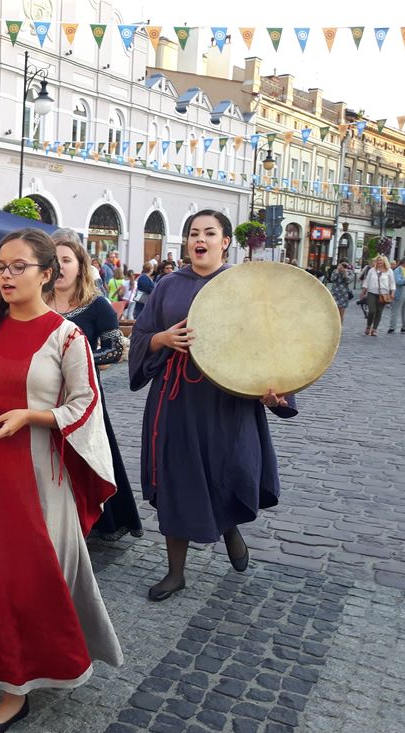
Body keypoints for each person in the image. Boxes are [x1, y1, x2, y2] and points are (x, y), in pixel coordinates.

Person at [0, 229, 123, 733]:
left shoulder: (67, 337)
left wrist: (31, 416)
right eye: (2, 267)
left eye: (19, 267)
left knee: (29, 580)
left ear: (48, 274)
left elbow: (85, 403)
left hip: (40, 479)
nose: (7, 276)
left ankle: (18, 686)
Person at [129, 210, 297, 602]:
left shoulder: (244, 286)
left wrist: (275, 392)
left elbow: (269, 344)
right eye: (193, 233)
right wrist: (161, 339)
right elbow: (140, 334)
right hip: (175, 402)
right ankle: (175, 573)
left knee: (224, 473)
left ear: (225, 242)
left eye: (209, 233)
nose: (199, 239)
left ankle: (228, 528)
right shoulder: (168, 285)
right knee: (176, 481)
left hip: (227, 403)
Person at [46, 236, 142, 542]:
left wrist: (76, 360)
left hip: (82, 393)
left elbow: (114, 349)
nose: (60, 267)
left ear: (80, 266)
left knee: (88, 452)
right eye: (55, 260)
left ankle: (94, 516)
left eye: (67, 260)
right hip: (42, 394)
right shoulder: (36, 301)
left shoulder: (96, 304)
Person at [360, 255, 395, 337]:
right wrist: (363, 292)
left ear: (384, 261)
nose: (379, 262)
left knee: (379, 311)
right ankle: (368, 325)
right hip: (372, 292)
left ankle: (374, 329)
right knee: (372, 310)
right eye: (378, 260)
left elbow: (392, 283)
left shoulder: (389, 271)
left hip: (383, 294)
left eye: (381, 260)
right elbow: (366, 281)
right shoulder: (372, 270)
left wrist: (392, 292)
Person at [388, 256, 405, 334]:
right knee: (395, 309)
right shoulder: (397, 270)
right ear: (404, 262)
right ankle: (392, 327)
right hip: (400, 290)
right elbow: (397, 281)